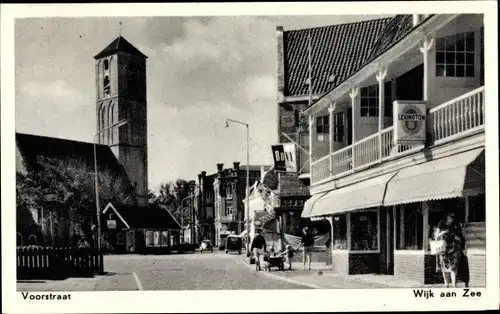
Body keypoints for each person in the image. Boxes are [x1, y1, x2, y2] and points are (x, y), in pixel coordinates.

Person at [433, 213, 468, 288]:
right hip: (443, 249)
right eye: (450, 218)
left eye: (452, 218)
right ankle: (446, 283)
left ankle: (454, 284)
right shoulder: (441, 224)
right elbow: (436, 237)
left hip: (453, 249)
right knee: (444, 267)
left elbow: (460, 236)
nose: (451, 219)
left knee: (454, 267)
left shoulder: (455, 225)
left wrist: (459, 238)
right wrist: (443, 232)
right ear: (446, 217)